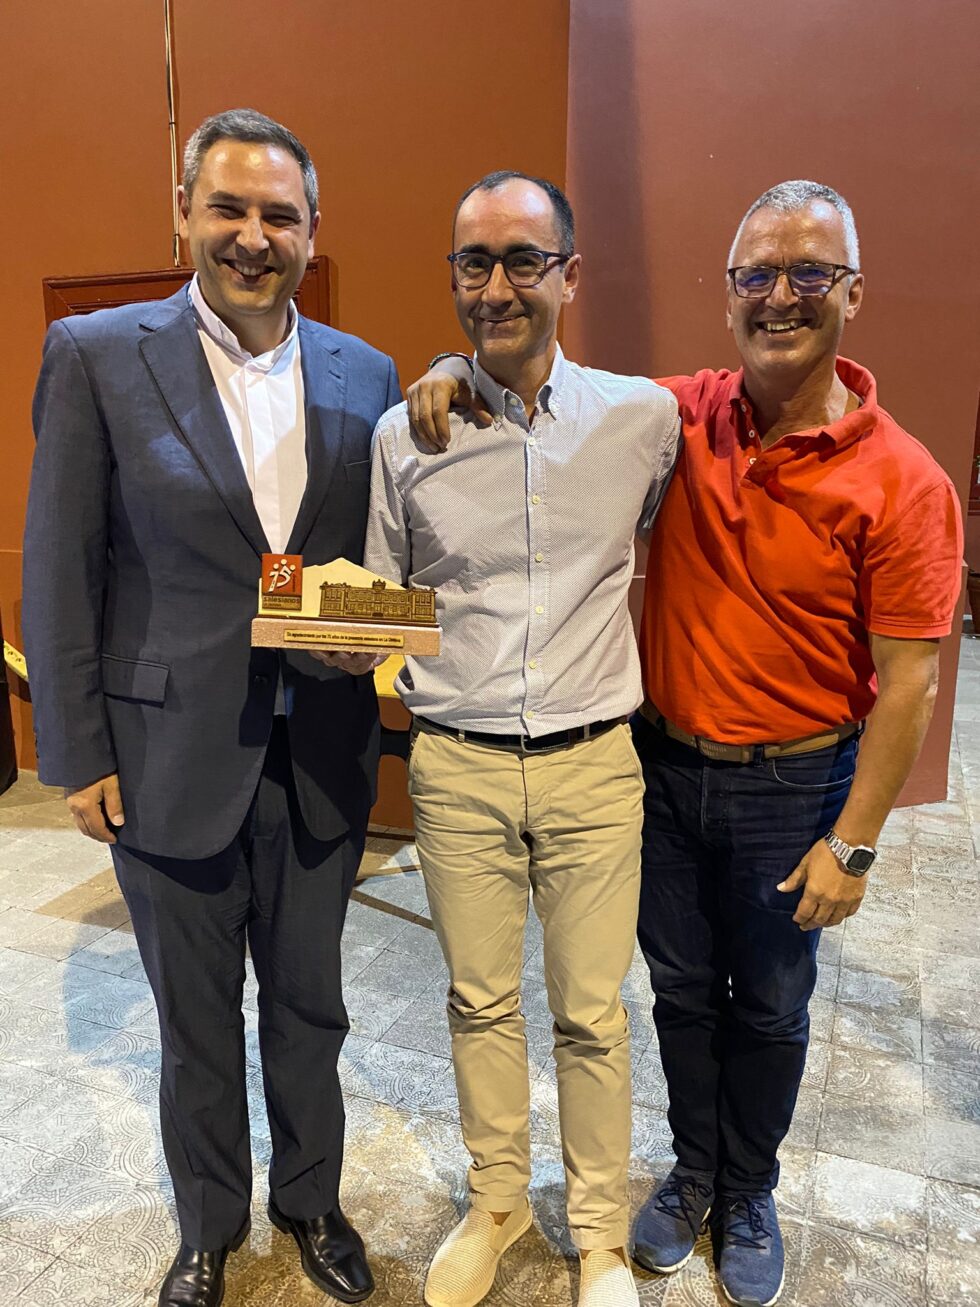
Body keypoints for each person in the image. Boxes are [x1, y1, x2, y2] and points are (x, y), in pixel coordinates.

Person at [403, 179, 963, 1307]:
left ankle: (748, 1188)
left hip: (792, 782)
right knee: (678, 993)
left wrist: (852, 843)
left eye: (809, 273)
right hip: (657, 765)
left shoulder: (904, 480)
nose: (780, 296)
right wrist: (459, 366)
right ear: (728, 294)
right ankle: (692, 1171)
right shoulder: (673, 415)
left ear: (853, 292)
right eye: (756, 274)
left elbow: (911, 682)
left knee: (770, 1003)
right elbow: (542, 385)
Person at [22, 109, 399, 1307]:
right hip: (163, 753)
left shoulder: (364, 372)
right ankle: (208, 1224)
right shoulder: (96, 354)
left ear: (310, 230)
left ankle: (311, 1201)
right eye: (227, 207)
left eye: (278, 214)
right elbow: (61, 565)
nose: (252, 235)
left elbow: (368, 559)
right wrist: (75, 752)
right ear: (183, 211)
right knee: (193, 1021)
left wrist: (385, 635)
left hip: (319, 751)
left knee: (310, 1008)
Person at [363, 171, 680, 1307]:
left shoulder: (644, 419)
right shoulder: (405, 435)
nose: (496, 286)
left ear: (569, 275)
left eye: (522, 260)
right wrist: (349, 642)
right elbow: (387, 598)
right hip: (458, 765)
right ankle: (496, 1201)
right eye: (473, 262)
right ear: (452, 276)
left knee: (593, 1012)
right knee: (478, 1000)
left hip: (595, 761)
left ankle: (597, 1234)